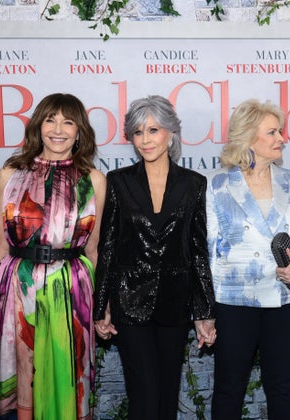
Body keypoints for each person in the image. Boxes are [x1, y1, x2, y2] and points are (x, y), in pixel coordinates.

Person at [0, 93, 106, 419]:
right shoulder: (10, 173)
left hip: (71, 294)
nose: (58, 129)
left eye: (68, 122)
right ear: (38, 125)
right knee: (19, 381)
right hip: (15, 290)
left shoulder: (94, 180)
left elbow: (93, 249)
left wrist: (101, 308)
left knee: (66, 378)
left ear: (79, 131)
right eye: (50, 119)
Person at [93, 95, 216, 420]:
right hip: (129, 302)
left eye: (153, 130)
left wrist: (204, 311)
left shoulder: (194, 185)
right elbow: (107, 247)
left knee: (166, 399)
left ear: (171, 133)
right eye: (137, 132)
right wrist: (101, 305)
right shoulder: (118, 182)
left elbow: (198, 251)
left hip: (175, 305)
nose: (145, 140)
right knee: (144, 397)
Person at [207, 99, 290, 419]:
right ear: (248, 138)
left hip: (286, 301)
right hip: (234, 303)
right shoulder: (217, 185)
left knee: (283, 388)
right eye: (272, 132)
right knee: (229, 389)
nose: (281, 138)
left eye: (280, 131)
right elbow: (209, 253)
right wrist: (206, 311)